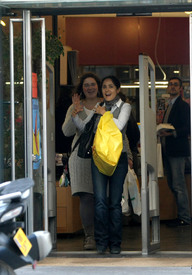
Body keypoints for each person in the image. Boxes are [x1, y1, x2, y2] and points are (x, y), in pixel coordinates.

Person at [62, 72, 102, 250]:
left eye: (92, 84)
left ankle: (104, 234)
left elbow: (119, 132)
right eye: (86, 85)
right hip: (80, 157)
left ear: (98, 86)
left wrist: (129, 156)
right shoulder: (75, 106)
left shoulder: (106, 104)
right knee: (86, 197)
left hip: (104, 156)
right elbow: (66, 132)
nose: (90, 87)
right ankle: (89, 237)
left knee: (103, 197)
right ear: (82, 88)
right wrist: (74, 112)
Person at [92, 76, 131, 254]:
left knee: (115, 203)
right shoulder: (98, 107)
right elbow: (88, 128)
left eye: (110, 87)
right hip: (98, 157)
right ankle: (101, 243)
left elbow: (119, 125)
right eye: (104, 87)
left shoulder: (125, 107)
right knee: (99, 201)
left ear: (117, 89)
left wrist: (103, 114)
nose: (106, 90)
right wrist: (78, 114)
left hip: (118, 158)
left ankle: (115, 244)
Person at [159, 76, 191, 227]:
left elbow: (187, 127)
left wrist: (172, 133)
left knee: (178, 184)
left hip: (177, 150)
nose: (172, 87)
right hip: (168, 150)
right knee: (172, 183)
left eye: (175, 85)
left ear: (180, 89)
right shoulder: (169, 105)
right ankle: (181, 215)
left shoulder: (183, 106)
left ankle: (185, 217)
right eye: (170, 84)